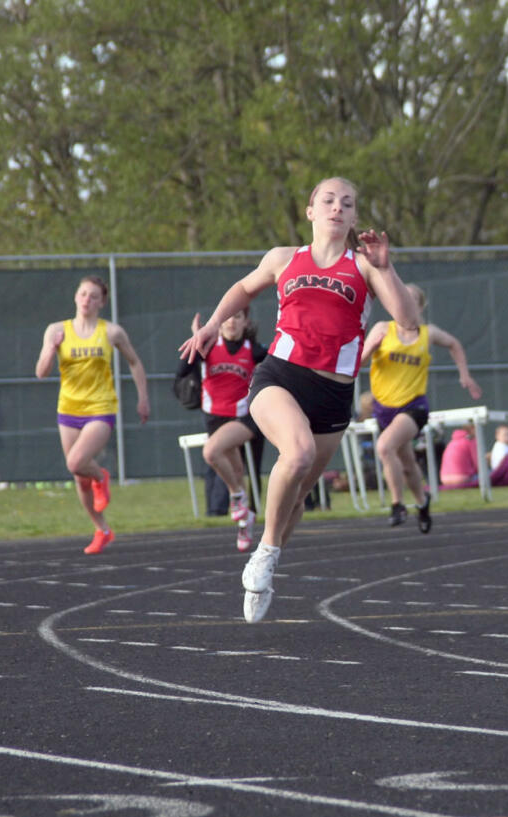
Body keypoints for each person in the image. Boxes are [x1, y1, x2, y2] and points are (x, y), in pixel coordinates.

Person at [180, 176, 420, 624]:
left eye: (347, 203)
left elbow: (408, 321)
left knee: (297, 498)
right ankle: (264, 554)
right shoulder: (284, 258)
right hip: (280, 376)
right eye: (327, 200)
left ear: (353, 217)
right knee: (298, 452)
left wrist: (387, 269)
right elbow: (244, 288)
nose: (337, 208)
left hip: (334, 393)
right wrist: (214, 323)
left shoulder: (365, 266)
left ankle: (268, 556)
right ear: (310, 211)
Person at [36, 275, 150, 555]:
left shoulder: (111, 332)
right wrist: (52, 348)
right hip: (68, 410)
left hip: (100, 408)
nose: (87, 300)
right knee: (78, 477)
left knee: (76, 462)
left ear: (102, 302)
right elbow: (41, 372)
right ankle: (102, 529)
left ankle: (102, 477)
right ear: (76, 297)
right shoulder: (55, 330)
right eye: (83, 294)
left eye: (94, 296)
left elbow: (134, 362)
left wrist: (143, 398)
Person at [360, 284, 482, 532]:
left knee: (384, 447)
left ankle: (397, 504)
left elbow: (454, 344)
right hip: (384, 407)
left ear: (419, 306)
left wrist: (464, 374)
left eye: (411, 299)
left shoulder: (428, 333)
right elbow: (358, 363)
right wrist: (370, 348)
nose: (404, 302)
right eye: (399, 296)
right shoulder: (383, 329)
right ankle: (422, 502)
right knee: (406, 462)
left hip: (413, 405)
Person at [175, 308, 267, 551]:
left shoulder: (254, 350)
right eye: (227, 318)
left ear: (246, 321)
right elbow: (182, 372)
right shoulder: (208, 348)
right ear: (218, 323)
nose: (232, 323)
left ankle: (236, 497)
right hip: (215, 419)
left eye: (237, 317)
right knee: (235, 473)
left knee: (211, 452)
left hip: (244, 418)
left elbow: (275, 368)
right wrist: (196, 340)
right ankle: (245, 521)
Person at [439, 423, 479, 488]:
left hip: (444, 479)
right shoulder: (471, 441)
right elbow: (478, 465)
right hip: (462, 479)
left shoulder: (452, 441)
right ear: (473, 429)